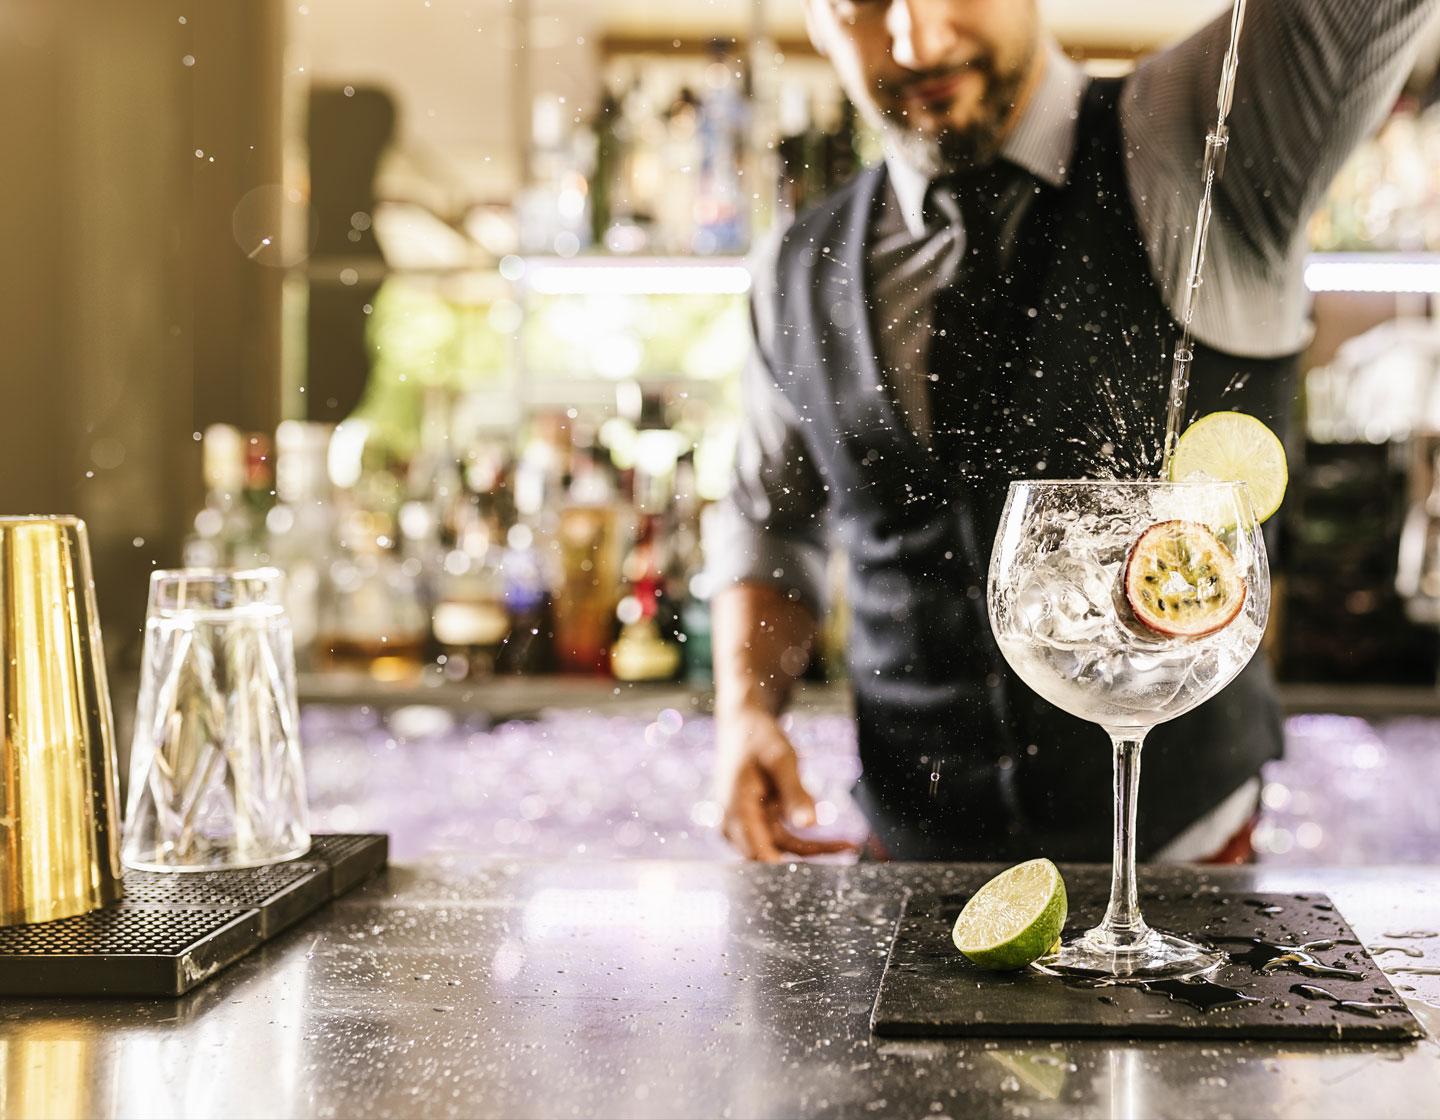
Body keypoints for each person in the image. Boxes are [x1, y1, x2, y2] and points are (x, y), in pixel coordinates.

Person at [708, 0, 1438, 862]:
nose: (917, 39)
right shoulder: (797, 268)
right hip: (908, 873)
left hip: (1179, 882)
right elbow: (772, 524)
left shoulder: (1206, 139)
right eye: (860, 6)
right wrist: (746, 711)